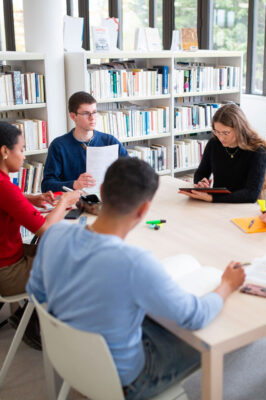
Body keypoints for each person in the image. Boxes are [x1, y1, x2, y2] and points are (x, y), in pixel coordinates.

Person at [27, 157, 245, 399]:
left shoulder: (54, 235)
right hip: (126, 380)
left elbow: (37, 293)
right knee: (213, 337)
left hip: (68, 358)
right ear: (144, 210)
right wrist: (227, 284)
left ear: (101, 191)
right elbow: (195, 316)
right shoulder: (133, 263)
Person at [0, 122, 80, 347]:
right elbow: (46, 229)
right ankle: (33, 323)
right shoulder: (5, 187)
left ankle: (28, 317)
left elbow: (8, 200)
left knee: (58, 252)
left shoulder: (5, 185)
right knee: (71, 264)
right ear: (5, 151)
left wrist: (28, 198)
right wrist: (64, 202)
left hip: (5, 258)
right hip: (8, 273)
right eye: (22, 149)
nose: (24, 156)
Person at [180, 103, 266, 203]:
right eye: (217, 132)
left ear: (239, 129)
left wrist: (212, 198)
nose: (220, 137)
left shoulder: (257, 150)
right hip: (217, 205)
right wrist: (201, 182)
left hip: (242, 207)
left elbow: (251, 194)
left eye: (225, 133)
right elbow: (201, 172)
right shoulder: (214, 143)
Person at [41, 91, 129, 193]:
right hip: (74, 202)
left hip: (108, 198)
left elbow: (131, 171)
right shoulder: (58, 145)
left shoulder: (110, 141)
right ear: (73, 117)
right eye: (86, 113)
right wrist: (74, 184)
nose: (92, 118)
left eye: (94, 112)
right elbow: (46, 185)